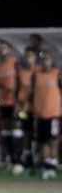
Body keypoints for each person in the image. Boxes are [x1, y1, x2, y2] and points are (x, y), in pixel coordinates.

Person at [0, 40, 23, 173]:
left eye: (4, 48)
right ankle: (11, 160)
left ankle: (20, 160)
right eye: (0, 48)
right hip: (3, 103)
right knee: (5, 132)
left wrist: (18, 100)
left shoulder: (15, 63)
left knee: (17, 130)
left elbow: (22, 82)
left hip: (15, 103)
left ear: (9, 49)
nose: (2, 50)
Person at [32, 51, 61, 180]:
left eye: (48, 59)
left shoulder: (57, 74)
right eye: (43, 60)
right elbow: (31, 92)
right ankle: (46, 165)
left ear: (52, 60)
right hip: (39, 113)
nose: (45, 62)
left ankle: (53, 166)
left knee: (52, 141)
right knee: (42, 141)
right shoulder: (36, 75)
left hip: (53, 113)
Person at [16, 46, 37, 171]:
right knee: (25, 132)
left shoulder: (39, 71)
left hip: (38, 109)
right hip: (24, 109)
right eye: (27, 56)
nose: (28, 59)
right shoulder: (22, 72)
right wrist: (18, 106)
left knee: (38, 135)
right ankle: (26, 156)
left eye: (31, 56)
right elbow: (18, 89)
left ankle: (39, 158)